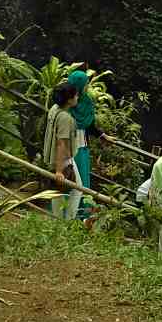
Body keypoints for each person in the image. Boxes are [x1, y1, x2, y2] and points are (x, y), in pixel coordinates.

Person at [67, 69, 110, 219]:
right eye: (85, 84)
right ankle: (68, 214)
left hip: (82, 145)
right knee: (71, 179)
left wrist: (103, 135)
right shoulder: (67, 102)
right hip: (68, 146)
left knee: (83, 179)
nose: (87, 86)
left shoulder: (85, 101)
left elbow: (89, 124)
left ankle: (81, 214)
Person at [43, 80, 83, 221]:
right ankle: (67, 220)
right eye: (76, 96)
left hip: (52, 157)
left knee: (58, 191)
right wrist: (59, 170)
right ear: (69, 99)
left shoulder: (54, 109)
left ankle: (58, 220)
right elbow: (61, 144)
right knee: (77, 189)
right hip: (63, 160)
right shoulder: (65, 118)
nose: (77, 98)